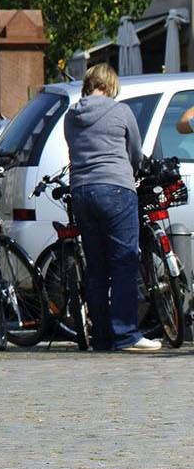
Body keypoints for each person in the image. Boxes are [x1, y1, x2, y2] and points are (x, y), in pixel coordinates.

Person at [66, 63, 157, 352]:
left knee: (96, 267)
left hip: (81, 191)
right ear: (110, 85)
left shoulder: (71, 116)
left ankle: (102, 337)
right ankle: (126, 334)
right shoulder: (121, 111)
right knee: (123, 262)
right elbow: (135, 152)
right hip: (116, 188)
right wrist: (134, 171)